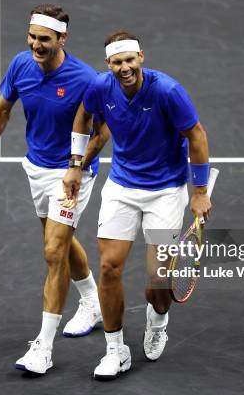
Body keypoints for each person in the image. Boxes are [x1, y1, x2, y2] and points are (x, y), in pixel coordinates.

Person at [62, 31, 212, 380]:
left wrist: (200, 190)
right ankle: (116, 350)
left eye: (130, 60)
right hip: (121, 188)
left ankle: (157, 319)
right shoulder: (101, 88)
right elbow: (84, 116)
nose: (124, 67)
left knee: (158, 284)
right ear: (109, 64)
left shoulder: (167, 91)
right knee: (110, 268)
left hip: (165, 191)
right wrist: (74, 163)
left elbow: (197, 135)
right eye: (117, 62)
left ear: (141, 57)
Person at [0, 4, 110, 375]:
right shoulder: (20, 65)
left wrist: (75, 168)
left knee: (52, 251)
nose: (36, 44)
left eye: (44, 39)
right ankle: (92, 302)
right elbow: (2, 109)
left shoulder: (85, 80)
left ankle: (43, 348)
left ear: (62, 39)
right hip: (37, 168)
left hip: (71, 173)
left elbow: (102, 132)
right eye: (32, 37)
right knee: (60, 243)